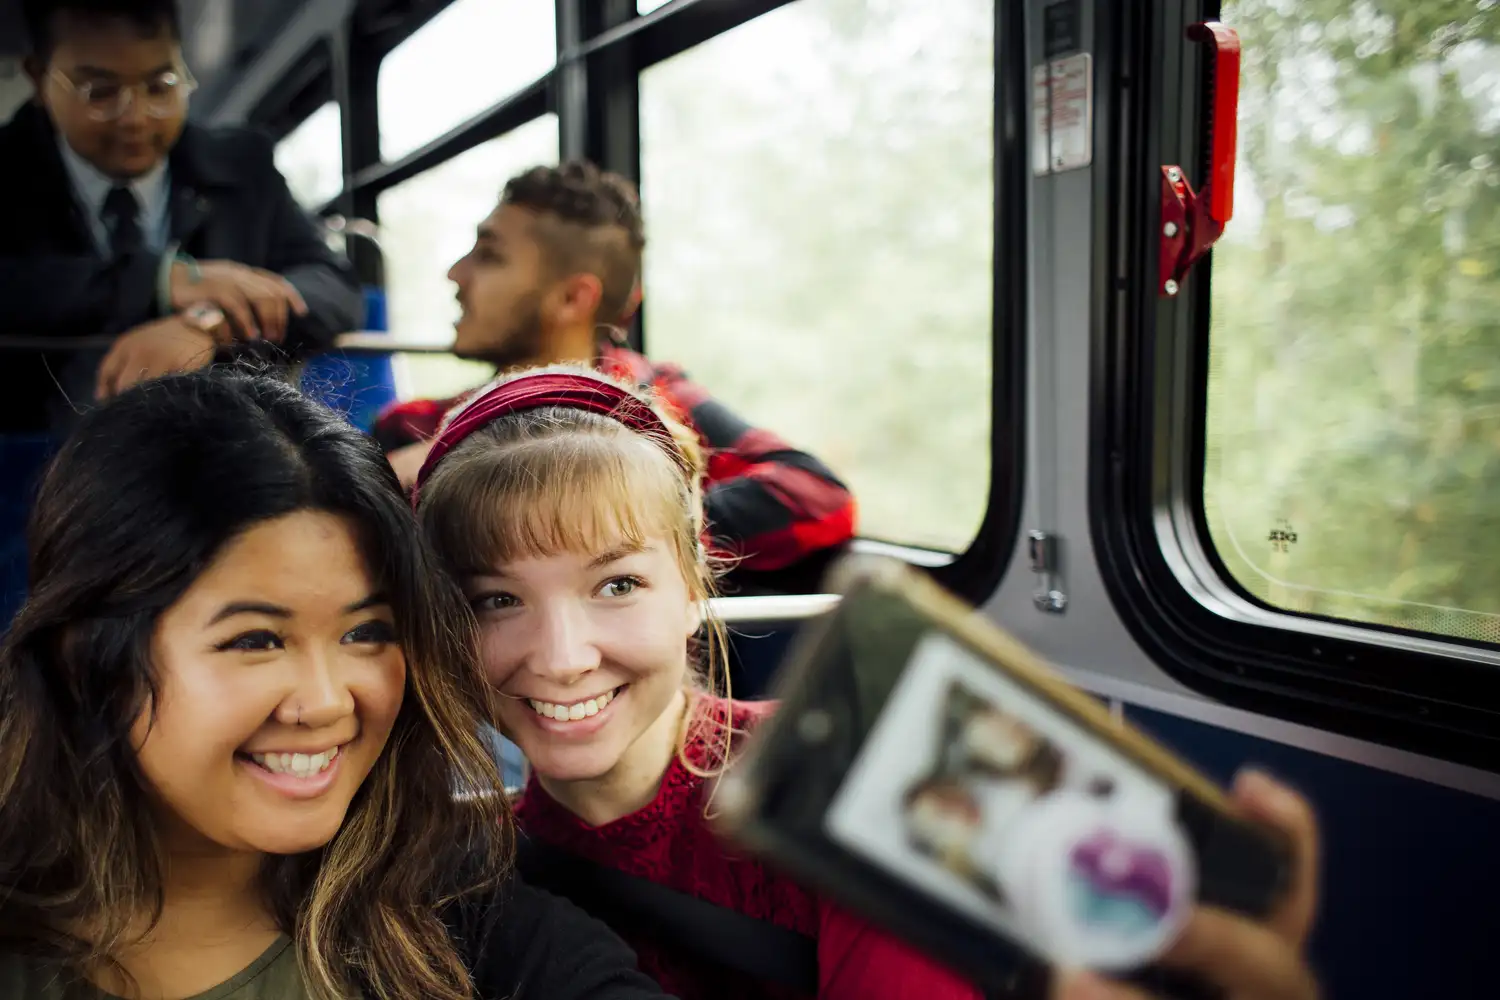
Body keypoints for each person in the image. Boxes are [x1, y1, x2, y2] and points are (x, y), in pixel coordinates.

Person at [411, 365, 1324, 1000]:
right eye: (496, 601)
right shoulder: (469, 865)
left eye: (617, 585)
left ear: (693, 591)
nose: (562, 655)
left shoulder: (866, 785)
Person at [0, 367, 675, 999]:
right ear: (85, 656)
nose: (327, 702)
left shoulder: (460, 922)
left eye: (364, 634)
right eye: (256, 641)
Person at [376, 161, 854, 575]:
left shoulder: (657, 403)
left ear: (572, 298)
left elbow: (817, 496)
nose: (455, 275)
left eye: (489, 256)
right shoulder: (411, 427)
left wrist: (633, 523)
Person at [0, 0, 363, 432]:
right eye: (100, 92)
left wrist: (208, 321)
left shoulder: (243, 165)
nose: (135, 118)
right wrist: (158, 280)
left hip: (222, 440)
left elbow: (332, 286)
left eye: (160, 86)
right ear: (40, 80)